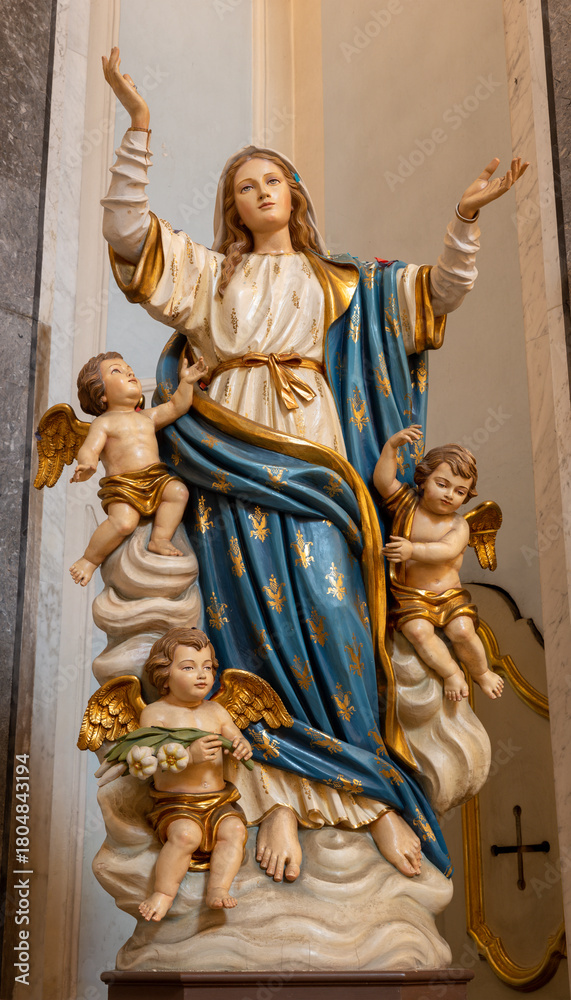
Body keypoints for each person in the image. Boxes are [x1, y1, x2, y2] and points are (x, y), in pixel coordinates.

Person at [100, 47, 528, 883]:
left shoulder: (343, 286)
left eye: (271, 180)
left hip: (317, 463)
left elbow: (435, 297)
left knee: (338, 618)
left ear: (295, 192)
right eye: (241, 187)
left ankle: (367, 798)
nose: (258, 193)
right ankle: (277, 800)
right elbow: (127, 236)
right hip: (229, 458)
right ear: (230, 207)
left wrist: (465, 218)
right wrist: (139, 130)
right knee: (242, 629)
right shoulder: (207, 275)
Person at [374, 424, 505, 701]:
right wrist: (392, 447)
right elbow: (384, 482)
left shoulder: (458, 524)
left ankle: (482, 673)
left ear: (467, 496)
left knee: (462, 631)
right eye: (442, 484)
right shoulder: (407, 504)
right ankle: (451, 673)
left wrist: (412, 550)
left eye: (459, 491)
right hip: (411, 597)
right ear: (422, 480)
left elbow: (446, 551)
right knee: (418, 632)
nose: (449, 495)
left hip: (450, 596)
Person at [133, 627, 251, 919]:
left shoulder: (216, 712)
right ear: (165, 674)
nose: (202, 675)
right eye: (189, 667)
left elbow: (236, 737)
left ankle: (219, 889)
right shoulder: (156, 714)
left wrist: (241, 746)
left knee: (235, 831)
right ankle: (163, 893)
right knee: (185, 836)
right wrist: (189, 756)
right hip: (177, 804)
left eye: (208, 667)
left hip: (218, 801)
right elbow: (146, 760)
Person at [70, 350, 206, 585]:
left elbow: (176, 407)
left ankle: (160, 538)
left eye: (129, 369)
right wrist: (87, 464)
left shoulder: (147, 417)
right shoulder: (103, 423)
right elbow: (90, 448)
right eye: (117, 371)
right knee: (123, 523)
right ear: (101, 394)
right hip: (124, 485)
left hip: (155, 478)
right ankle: (89, 560)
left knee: (178, 492)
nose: (129, 372)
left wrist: (187, 381)